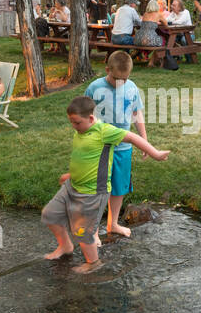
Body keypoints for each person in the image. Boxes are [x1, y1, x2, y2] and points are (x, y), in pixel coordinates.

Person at [42, 95, 170, 273]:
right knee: (50, 214)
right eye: (71, 122)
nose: (74, 126)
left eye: (77, 122)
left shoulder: (104, 131)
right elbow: (85, 157)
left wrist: (155, 153)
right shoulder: (81, 131)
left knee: (82, 231)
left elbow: (132, 137)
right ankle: (65, 246)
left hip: (93, 192)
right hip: (73, 185)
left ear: (91, 118)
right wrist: (71, 174)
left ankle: (93, 263)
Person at [85, 51, 146, 239]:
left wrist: (143, 139)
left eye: (125, 79)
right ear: (107, 70)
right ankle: (93, 231)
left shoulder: (132, 87)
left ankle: (113, 224)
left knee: (119, 187)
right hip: (101, 148)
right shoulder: (95, 88)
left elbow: (136, 113)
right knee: (100, 189)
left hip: (123, 148)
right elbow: (84, 116)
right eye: (117, 78)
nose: (121, 82)